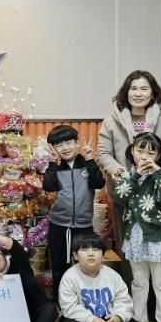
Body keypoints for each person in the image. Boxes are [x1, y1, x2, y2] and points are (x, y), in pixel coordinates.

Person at [96, 70, 161, 293]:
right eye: (133, 88)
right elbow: (103, 153)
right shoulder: (110, 122)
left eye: (144, 88)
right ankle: (133, 298)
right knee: (130, 247)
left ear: (153, 93)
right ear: (126, 92)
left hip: (156, 194)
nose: (138, 93)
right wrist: (115, 169)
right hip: (126, 191)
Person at [111, 132, 161, 322]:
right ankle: (138, 318)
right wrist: (134, 176)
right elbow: (120, 196)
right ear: (132, 151)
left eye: (151, 153)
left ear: (158, 156)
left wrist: (158, 174)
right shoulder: (127, 175)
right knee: (139, 281)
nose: (145, 156)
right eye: (140, 150)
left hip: (157, 237)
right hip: (135, 235)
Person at [58, 235, 145, 322]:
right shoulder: (69, 277)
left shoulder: (112, 275)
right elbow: (69, 308)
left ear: (103, 255)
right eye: (84, 250)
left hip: (107, 321)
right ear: (75, 255)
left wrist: (118, 317)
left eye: (96, 249)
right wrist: (91, 320)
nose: (91, 253)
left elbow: (123, 300)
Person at [43, 124, 105, 300]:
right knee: (59, 266)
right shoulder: (57, 168)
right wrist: (51, 163)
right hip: (59, 225)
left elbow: (99, 183)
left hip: (84, 225)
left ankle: (85, 299)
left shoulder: (86, 165)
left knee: (86, 264)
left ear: (77, 143)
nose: (65, 148)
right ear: (53, 148)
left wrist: (90, 160)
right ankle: (61, 301)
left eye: (68, 142)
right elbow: (48, 186)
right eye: (59, 145)